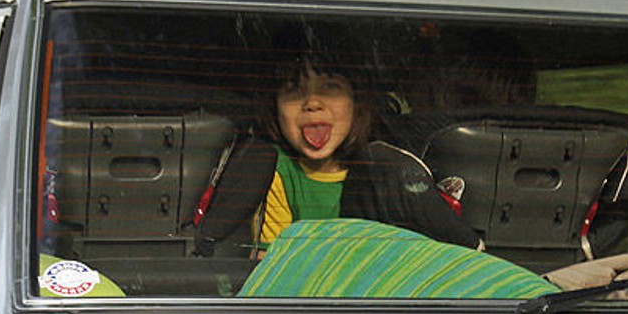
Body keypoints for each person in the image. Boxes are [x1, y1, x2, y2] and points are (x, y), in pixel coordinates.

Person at [190, 56, 479, 256]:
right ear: (274, 107)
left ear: (356, 103)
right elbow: (274, 265)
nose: (313, 103)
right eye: (294, 89)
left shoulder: (383, 172)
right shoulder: (272, 168)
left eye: (331, 87)